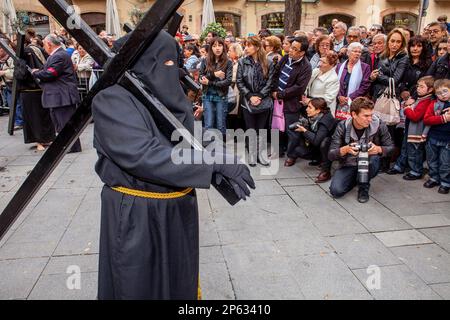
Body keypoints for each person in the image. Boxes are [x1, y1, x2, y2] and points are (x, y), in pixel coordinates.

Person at [92, 30, 255, 299]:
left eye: (174, 61)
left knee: (177, 279)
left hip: (176, 207)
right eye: (166, 62)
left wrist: (217, 151)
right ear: (144, 62)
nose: (173, 69)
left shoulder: (160, 92)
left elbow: (184, 132)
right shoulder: (113, 98)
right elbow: (144, 155)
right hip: (138, 212)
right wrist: (210, 163)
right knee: (140, 283)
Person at [328, 97, 395, 203]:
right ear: (354, 114)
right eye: (366, 116)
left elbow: (391, 148)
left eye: (371, 115)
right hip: (349, 163)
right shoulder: (342, 126)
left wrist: (378, 149)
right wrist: (345, 150)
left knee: (374, 160)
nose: (370, 119)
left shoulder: (378, 124)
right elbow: (331, 155)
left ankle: (364, 186)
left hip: (369, 162)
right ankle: (357, 179)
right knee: (336, 191)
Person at [31, 34, 81, 153]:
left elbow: (51, 73)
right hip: (59, 95)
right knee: (61, 123)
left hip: (62, 95)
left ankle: (71, 147)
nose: (43, 47)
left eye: (44, 44)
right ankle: (67, 145)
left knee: (65, 123)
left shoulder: (59, 56)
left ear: (49, 44)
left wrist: (35, 73)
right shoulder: (58, 55)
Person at [272, 36, 312, 166]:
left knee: (292, 130)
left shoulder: (306, 66)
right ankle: (278, 150)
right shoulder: (285, 58)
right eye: (291, 47)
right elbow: (276, 73)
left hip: (290, 102)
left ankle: (292, 155)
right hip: (277, 98)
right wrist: (274, 90)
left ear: (302, 52)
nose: (290, 50)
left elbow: (299, 88)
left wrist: (281, 94)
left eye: (295, 49)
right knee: (276, 126)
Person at [236, 36, 275, 166]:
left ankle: (261, 155)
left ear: (257, 47)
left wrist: (259, 96)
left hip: (263, 100)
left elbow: (270, 82)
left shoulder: (268, 63)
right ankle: (252, 155)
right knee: (250, 129)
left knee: (261, 129)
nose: (246, 48)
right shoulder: (242, 62)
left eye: (249, 45)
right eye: (245, 45)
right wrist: (250, 96)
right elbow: (239, 81)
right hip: (248, 100)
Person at [13, 33, 55, 151]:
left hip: (31, 89)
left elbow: (21, 74)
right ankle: (46, 138)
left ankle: (40, 140)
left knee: (35, 117)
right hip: (37, 88)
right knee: (43, 116)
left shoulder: (26, 52)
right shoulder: (34, 49)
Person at [388, 76, 434, 178]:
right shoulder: (420, 98)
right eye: (418, 86)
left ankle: (416, 171)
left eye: (422, 87)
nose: (418, 89)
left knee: (415, 152)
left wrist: (407, 108)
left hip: (416, 132)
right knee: (404, 148)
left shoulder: (426, 101)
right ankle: (399, 166)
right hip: (409, 130)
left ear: (430, 89)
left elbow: (415, 117)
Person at [291, 98, 336, 183]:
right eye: (307, 106)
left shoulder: (325, 120)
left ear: (318, 110)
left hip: (331, 147)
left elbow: (316, 141)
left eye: (310, 107)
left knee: (324, 142)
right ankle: (319, 159)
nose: (307, 109)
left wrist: (304, 130)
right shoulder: (314, 117)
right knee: (299, 150)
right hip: (317, 146)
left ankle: (326, 171)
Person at [199, 37, 233, 136]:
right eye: (214, 46)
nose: (217, 48)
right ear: (211, 48)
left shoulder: (228, 62)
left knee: (220, 124)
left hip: (221, 96)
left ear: (223, 47)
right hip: (207, 96)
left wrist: (210, 82)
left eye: (220, 45)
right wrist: (215, 74)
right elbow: (201, 78)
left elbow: (228, 81)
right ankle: (209, 147)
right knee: (208, 124)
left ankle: (220, 148)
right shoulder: (205, 60)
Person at [423, 78, 450, 194]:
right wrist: (443, 118)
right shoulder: (434, 104)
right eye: (439, 93)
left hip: (447, 139)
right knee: (432, 160)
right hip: (433, 137)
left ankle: (445, 182)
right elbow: (427, 119)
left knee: (445, 162)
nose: (442, 95)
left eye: (445, 91)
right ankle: (434, 177)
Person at [335, 42, 371, 120]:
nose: (357, 54)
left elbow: (365, 86)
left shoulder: (365, 67)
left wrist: (350, 98)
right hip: (338, 101)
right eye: (355, 51)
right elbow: (334, 83)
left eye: (359, 52)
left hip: (355, 102)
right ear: (348, 53)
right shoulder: (339, 66)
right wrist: (339, 96)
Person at [304, 51, 340, 116]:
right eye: (320, 60)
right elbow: (307, 84)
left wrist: (309, 101)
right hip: (311, 109)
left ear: (332, 65)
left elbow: (328, 99)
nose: (320, 64)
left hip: (322, 113)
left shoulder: (333, 79)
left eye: (324, 62)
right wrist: (304, 96)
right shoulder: (316, 71)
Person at [0, 38, 24, 130]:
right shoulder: (3, 60)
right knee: (11, 104)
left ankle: (20, 121)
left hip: (14, 85)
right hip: (6, 85)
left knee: (16, 103)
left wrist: (4, 73)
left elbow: (17, 72)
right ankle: (17, 121)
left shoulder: (12, 58)